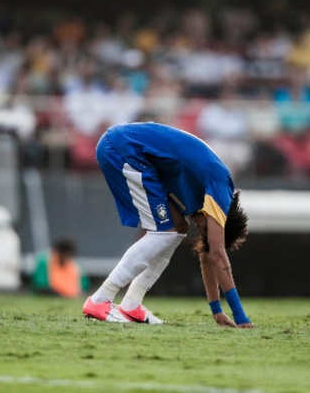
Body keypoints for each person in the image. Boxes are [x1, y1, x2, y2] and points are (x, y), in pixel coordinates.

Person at [82, 122, 253, 328]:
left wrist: (217, 311)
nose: (199, 230)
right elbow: (216, 255)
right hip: (123, 147)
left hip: (130, 149)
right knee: (163, 233)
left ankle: (132, 304)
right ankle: (100, 299)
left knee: (177, 228)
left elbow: (208, 254)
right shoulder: (220, 191)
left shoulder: (207, 197)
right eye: (206, 231)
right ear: (221, 223)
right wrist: (240, 316)